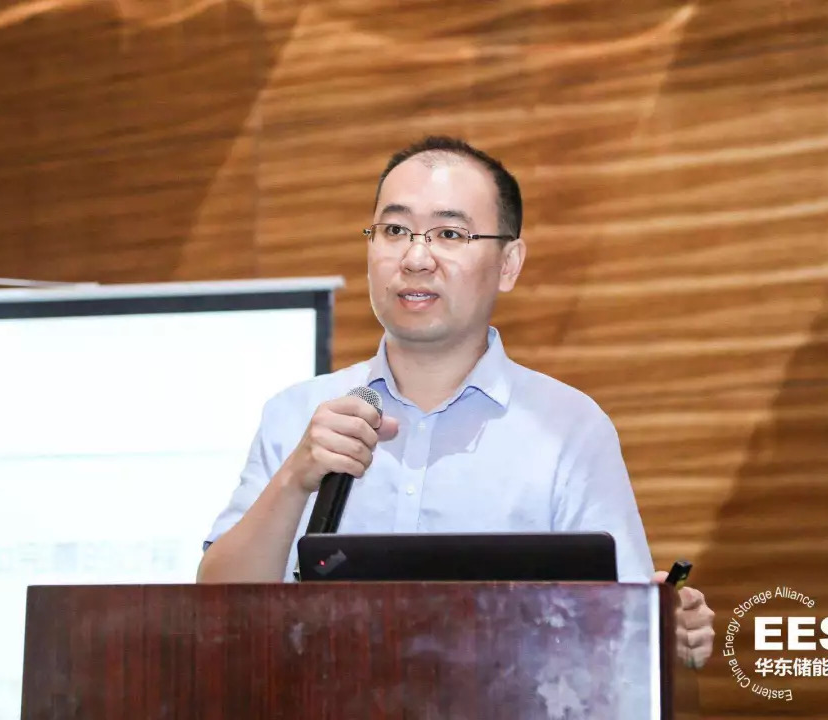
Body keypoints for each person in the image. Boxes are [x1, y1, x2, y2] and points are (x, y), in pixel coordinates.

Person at [197, 136, 715, 668]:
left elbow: (623, 636)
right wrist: (294, 479)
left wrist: (665, 630)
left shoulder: (569, 428)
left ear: (509, 263)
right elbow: (214, 615)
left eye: (449, 234)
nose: (415, 258)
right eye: (394, 231)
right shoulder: (296, 415)